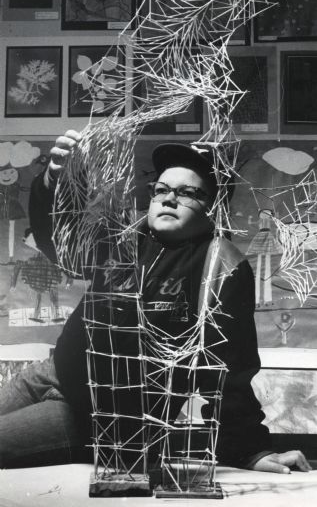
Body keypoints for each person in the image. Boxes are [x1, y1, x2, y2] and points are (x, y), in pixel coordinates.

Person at [0, 130, 311, 475]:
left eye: (186, 192)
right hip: (52, 374)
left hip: (96, 416)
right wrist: (53, 179)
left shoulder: (222, 267)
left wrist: (250, 451)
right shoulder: (125, 241)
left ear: (212, 206)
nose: (169, 199)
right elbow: (62, 241)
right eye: (161, 190)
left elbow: (230, 370)